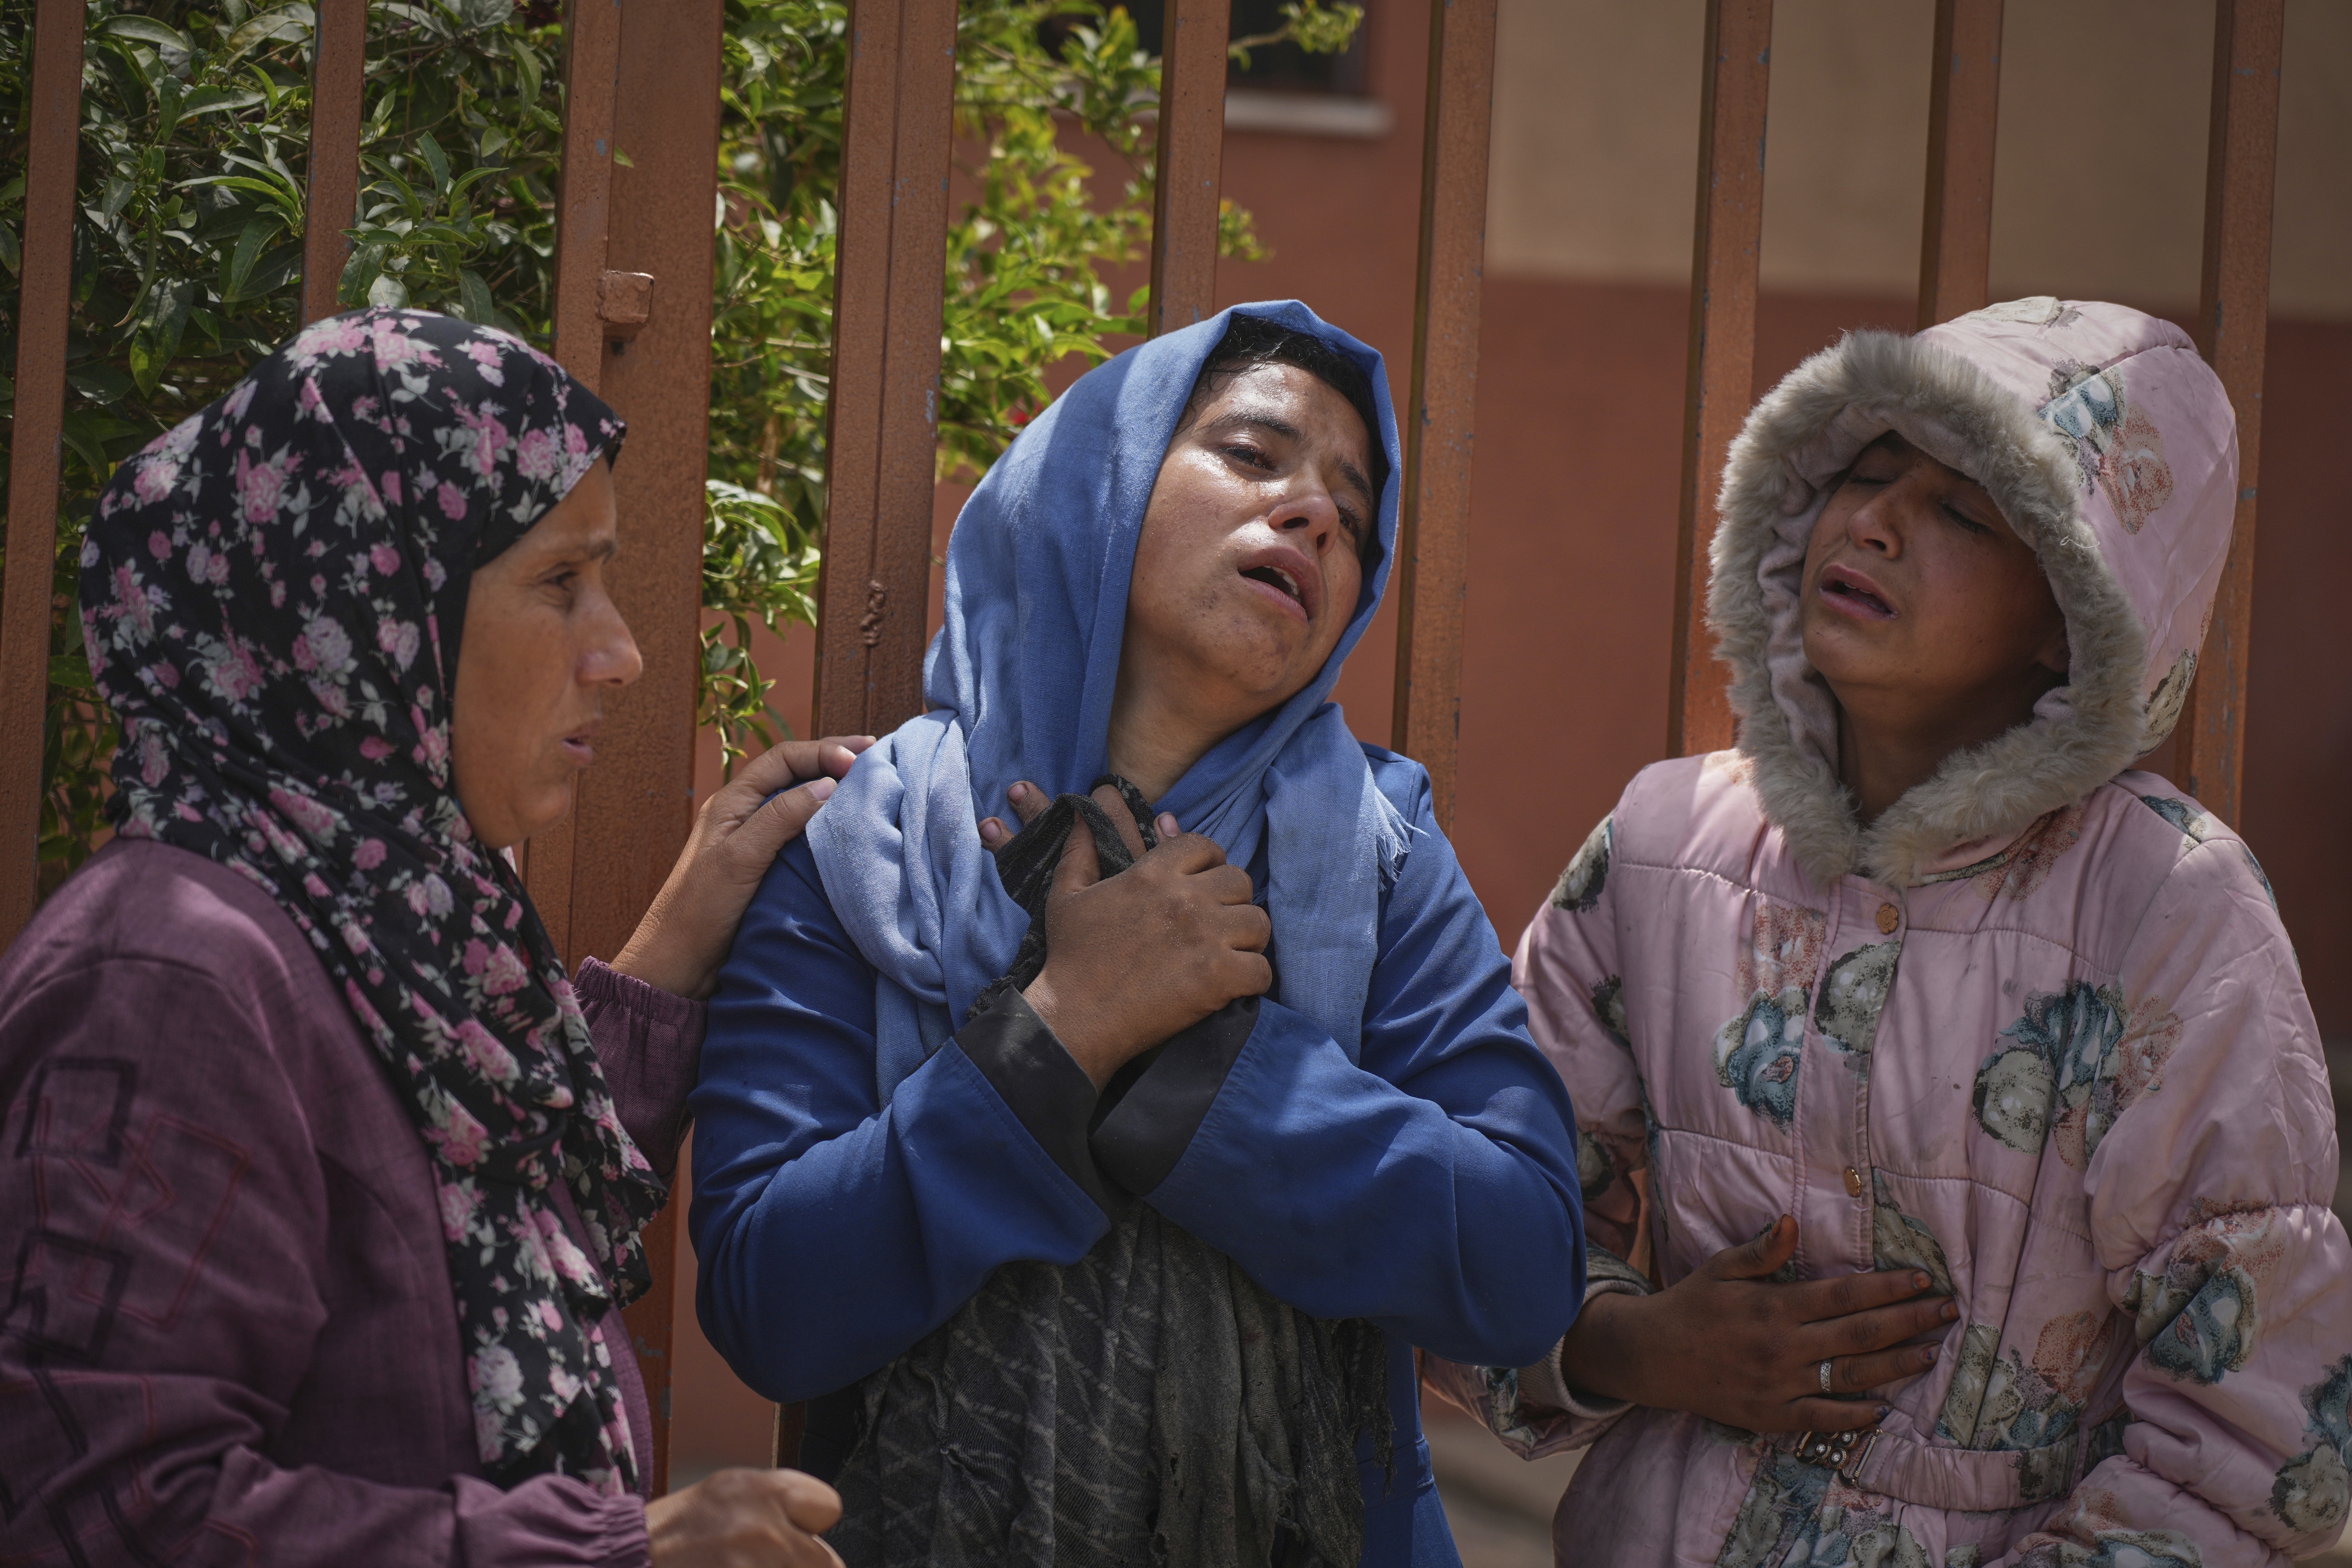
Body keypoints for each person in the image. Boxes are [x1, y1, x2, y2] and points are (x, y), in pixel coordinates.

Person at [1428, 298, 2352, 1567]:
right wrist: (1635, 1347)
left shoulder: (2172, 909)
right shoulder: (1662, 847)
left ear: (2073, 613)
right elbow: (1477, 1219)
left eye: (1964, 511)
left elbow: (2253, 1447)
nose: (1872, 523)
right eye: (1867, 473)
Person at [688, 303, 1588, 1567]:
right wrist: (1063, 1031)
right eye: (1255, 455)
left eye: (1353, 508)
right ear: (1094, 489)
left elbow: (1523, 1263)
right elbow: (770, 1297)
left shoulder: (1382, 852)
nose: (1316, 513)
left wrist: (1207, 1067)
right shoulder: (866, 841)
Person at [0, 309, 858, 1567]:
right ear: (369, 607)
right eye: (560, 583)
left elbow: (482, 1222)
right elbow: (102, 1514)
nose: (619, 654)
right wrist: (620, 1553)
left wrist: (688, 925)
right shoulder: (168, 969)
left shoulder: (381, 914)